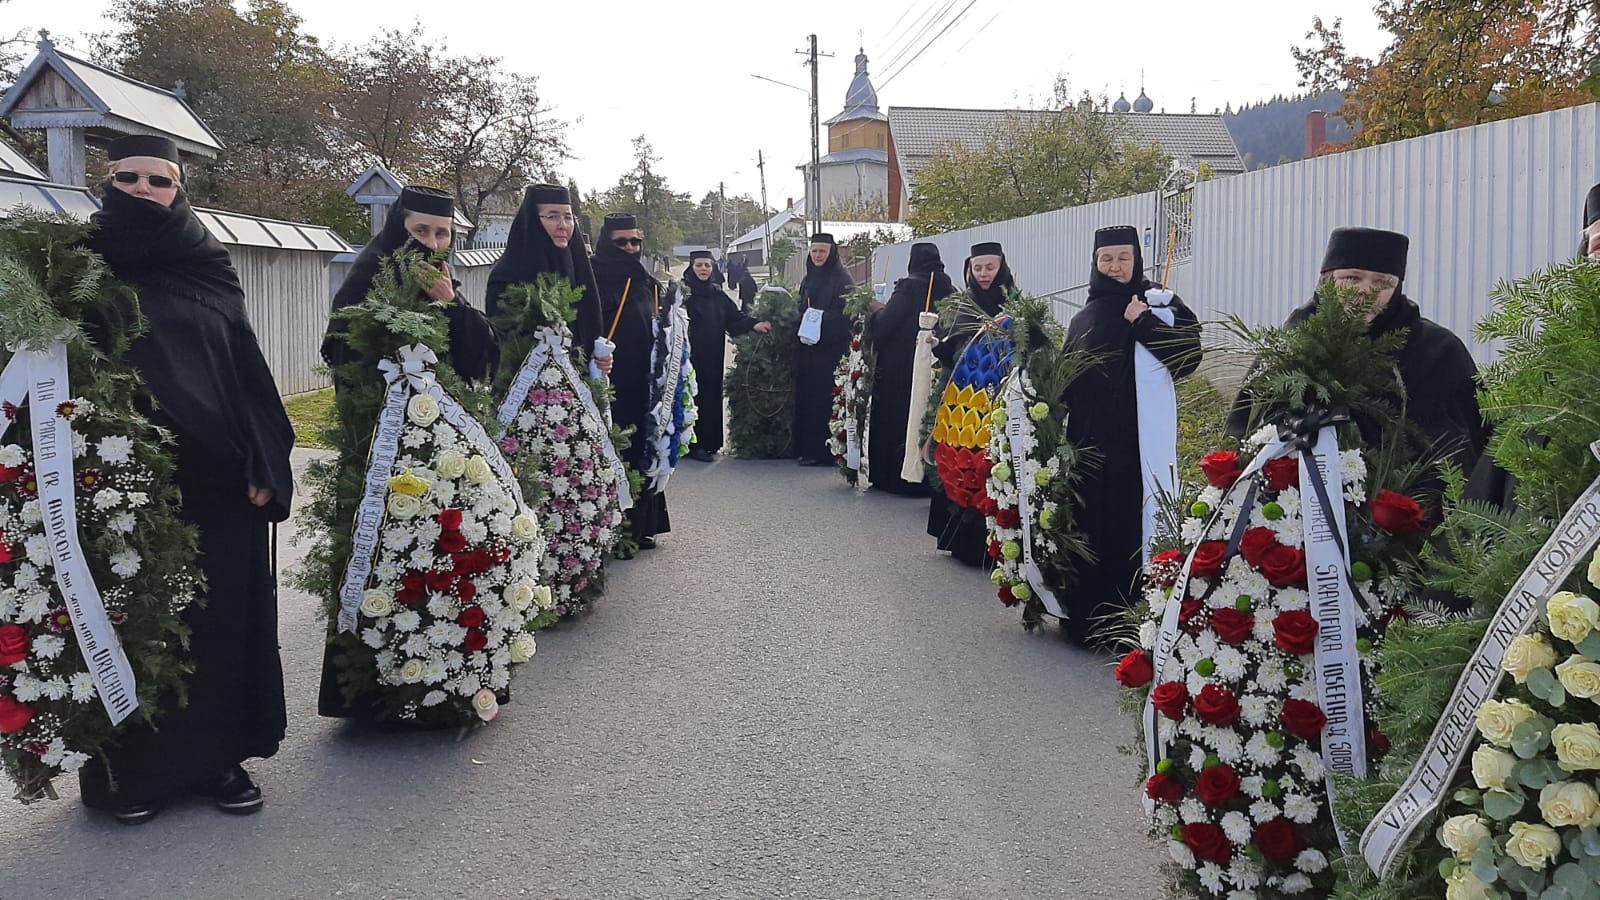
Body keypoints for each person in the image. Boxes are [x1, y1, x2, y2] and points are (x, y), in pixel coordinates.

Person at [78, 135, 295, 824]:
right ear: (107, 182)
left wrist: (265, 458)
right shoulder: (77, 268)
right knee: (135, 624)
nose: (144, 191)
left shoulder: (207, 265)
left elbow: (245, 368)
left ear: (180, 190)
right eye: (129, 178)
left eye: (160, 181)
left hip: (218, 479)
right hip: (120, 481)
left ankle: (217, 760)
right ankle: (132, 771)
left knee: (220, 621)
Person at [1224, 227, 1486, 473]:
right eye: (1352, 278)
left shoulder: (1439, 352)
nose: (1365, 292)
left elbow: (1479, 440)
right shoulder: (1293, 344)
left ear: (1397, 288)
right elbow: (1244, 434)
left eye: (1381, 282)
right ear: (1327, 281)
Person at [1062, 225, 1202, 646]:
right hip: (1089, 442)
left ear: (1137, 260)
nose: (1115, 267)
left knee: (1130, 524)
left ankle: (1132, 622)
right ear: (1095, 263)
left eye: (1123, 258)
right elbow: (1068, 377)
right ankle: (1087, 620)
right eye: (1107, 259)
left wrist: (1144, 323)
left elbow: (1187, 357)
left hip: (1138, 444)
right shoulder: (1085, 314)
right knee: (1090, 524)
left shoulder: (1160, 304)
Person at [322, 185, 500, 382]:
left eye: (441, 234)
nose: (432, 245)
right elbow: (351, 364)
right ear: (399, 229)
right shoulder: (367, 279)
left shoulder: (443, 280)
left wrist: (451, 302)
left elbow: (486, 356)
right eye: (421, 231)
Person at [929, 241, 1018, 562]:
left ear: (1002, 267)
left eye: (990, 267)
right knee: (960, 462)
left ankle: (996, 540)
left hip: (1002, 399)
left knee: (992, 463)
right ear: (969, 269)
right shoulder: (962, 305)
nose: (983, 274)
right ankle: (961, 540)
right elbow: (948, 346)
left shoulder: (1015, 305)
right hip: (962, 399)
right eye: (977, 268)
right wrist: (936, 343)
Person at [592, 213, 669, 551]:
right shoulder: (594, 277)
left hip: (644, 380)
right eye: (620, 242)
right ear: (606, 242)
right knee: (616, 451)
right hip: (610, 380)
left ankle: (644, 525)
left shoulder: (645, 280)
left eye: (635, 241)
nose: (629, 248)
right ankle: (615, 531)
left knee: (645, 448)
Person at [484, 183, 611, 375]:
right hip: (530, 392)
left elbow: (590, 329)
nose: (562, 225)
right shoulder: (508, 276)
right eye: (552, 216)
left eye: (568, 217)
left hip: (582, 391)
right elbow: (505, 347)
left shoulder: (578, 270)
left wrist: (600, 358)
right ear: (534, 221)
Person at [870, 243, 955, 495]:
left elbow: (885, 326)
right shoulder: (951, 289)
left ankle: (895, 477)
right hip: (935, 365)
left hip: (900, 369)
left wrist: (876, 313)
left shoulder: (907, 288)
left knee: (899, 419)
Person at [683, 250, 771, 461]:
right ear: (691, 268)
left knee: (711, 397)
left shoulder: (718, 295)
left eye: (707, 265)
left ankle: (710, 443)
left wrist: (754, 324)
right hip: (687, 359)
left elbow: (735, 319)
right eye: (699, 265)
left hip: (713, 357)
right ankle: (692, 446)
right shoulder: (683, 295)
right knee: (691, 398)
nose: (703, 269)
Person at [794, 232, 856, 465]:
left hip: (830, 349)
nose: (818, 256)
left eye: (822, 251)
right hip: (809, 349)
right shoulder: (810, 277)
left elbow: (848, 314)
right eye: (814, 251)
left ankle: (823, 452)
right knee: (808, 396)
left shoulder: (842, 279)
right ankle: (806, 447)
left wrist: (819, 318)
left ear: (831, 253)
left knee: (823, 398)